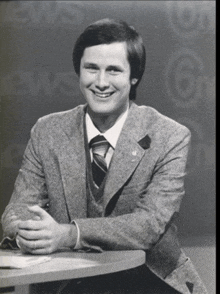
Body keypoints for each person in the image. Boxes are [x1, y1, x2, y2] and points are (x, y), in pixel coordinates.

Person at [1, 18, 207, 294]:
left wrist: (69, 234)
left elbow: (149, 225)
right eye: (91, 69)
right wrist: (27, 232)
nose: (100, 82)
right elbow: (17, 210)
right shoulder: (47, 131)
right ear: (79, 71)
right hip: (68, 284)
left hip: (149, 281)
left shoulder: (169, 135)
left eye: (113, 70)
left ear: (134, 76)